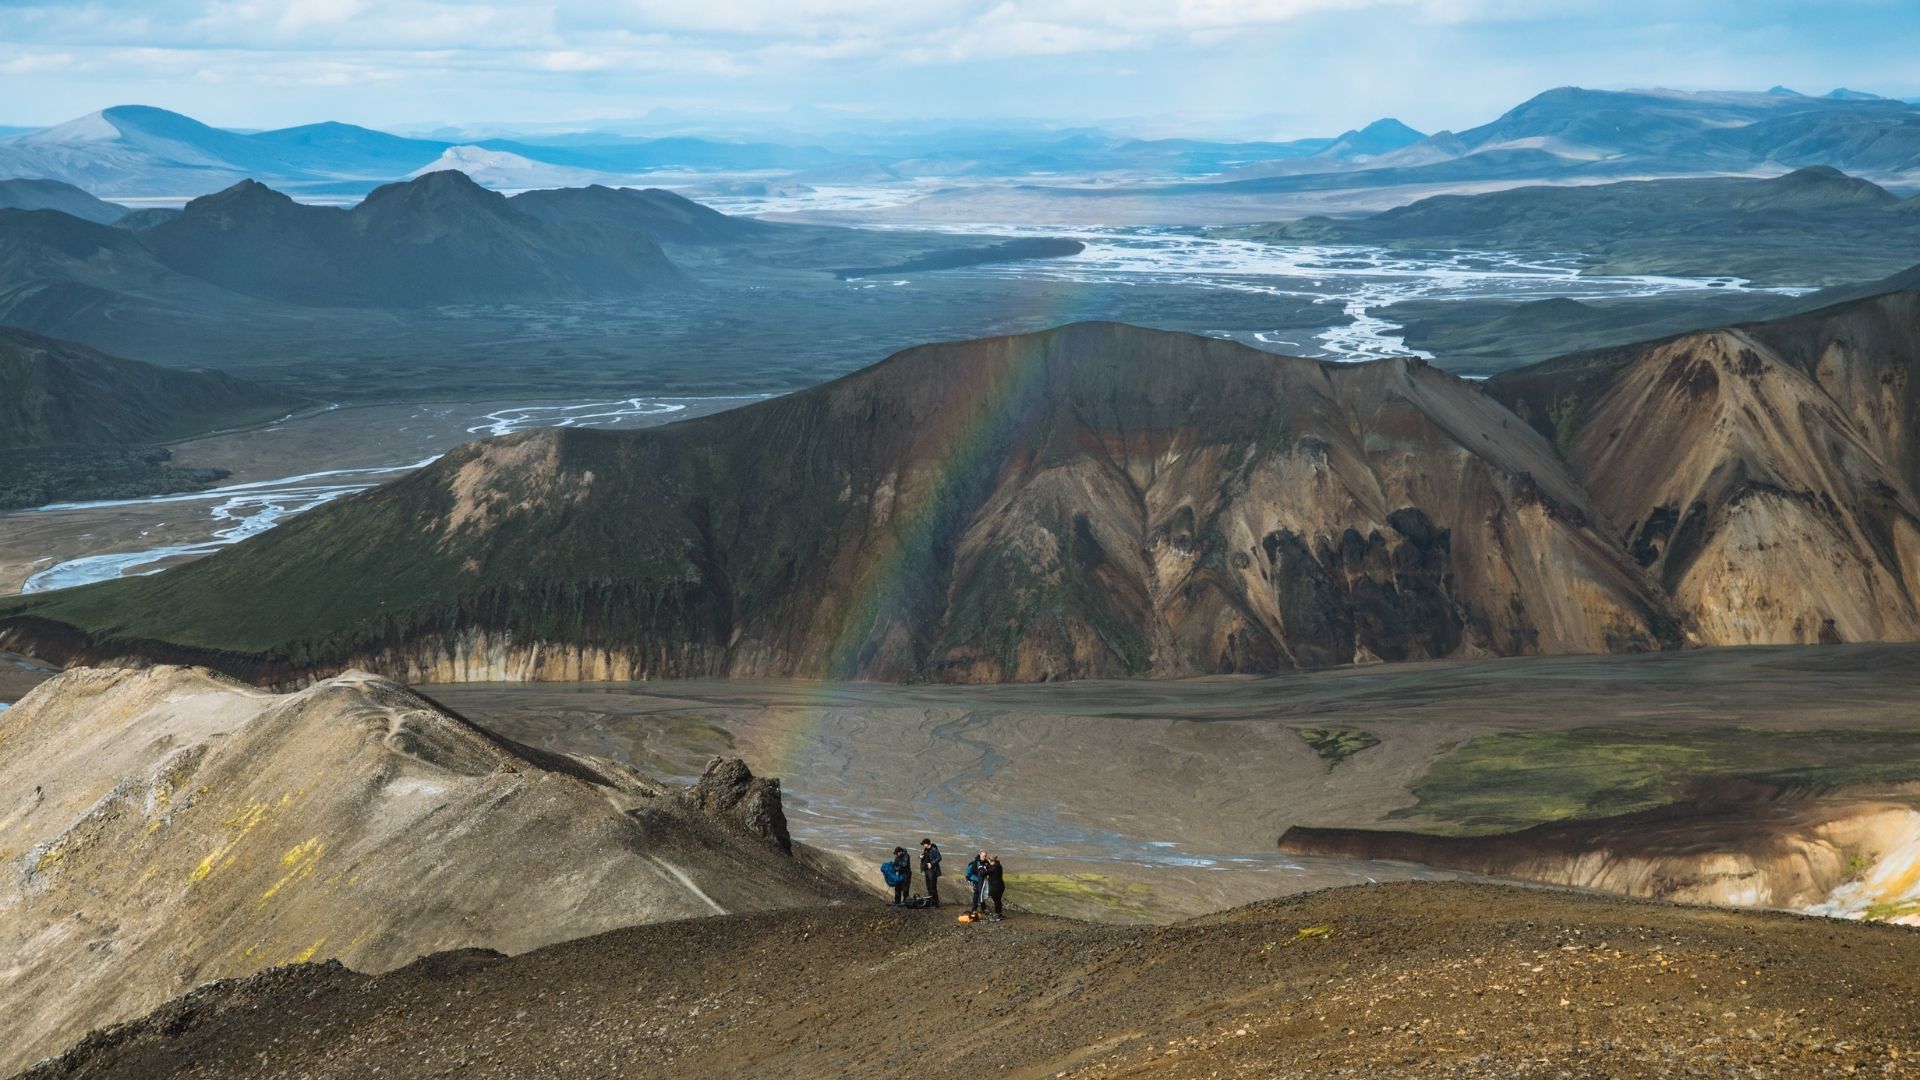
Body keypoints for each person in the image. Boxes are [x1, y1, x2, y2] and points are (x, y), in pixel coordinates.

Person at [919, 838, 943, 907]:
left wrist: (931, 863)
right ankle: (931, 902)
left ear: (927, 844)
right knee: (929, 887)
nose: (923, 845)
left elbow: (939, 858)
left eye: (924, 844)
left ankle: (936, 903)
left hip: (932, 871)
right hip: (927, 870)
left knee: (933, 887)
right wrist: (921, 857)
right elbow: (926, 858)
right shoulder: (926, 849)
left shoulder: (934, 849)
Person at [965, 849, 988, 916]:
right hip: (976, 880)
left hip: (983, 881)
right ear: (980, 855)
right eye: (983, 856)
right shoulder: (975, 862)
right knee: (976, 894)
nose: (984, 857)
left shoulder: (986, 862)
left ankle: (984, 908)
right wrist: (968, 878)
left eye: (985, 856)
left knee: (982, 894)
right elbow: (969, 871)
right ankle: (974, 909)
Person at [984, 853, 1006, 919]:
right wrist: (986, 866)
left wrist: (981, 868)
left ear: (991, 861)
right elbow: (990, 867)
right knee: (998, 900)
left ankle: (998, 914)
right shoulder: (998, 865)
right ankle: (999, 914)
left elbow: (984, 873)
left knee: (996, 900)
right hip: (1000, 886)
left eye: (989, 861)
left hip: (997, 887)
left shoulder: (994, 868)